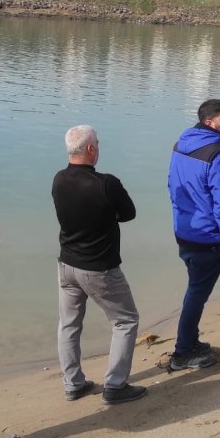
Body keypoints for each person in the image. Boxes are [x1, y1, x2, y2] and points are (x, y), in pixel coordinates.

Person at [52, 125, 146, 404]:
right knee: (126, 320)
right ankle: (115, 385)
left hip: (67, 264)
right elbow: (128, 213)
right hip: (98, 266)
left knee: (68, 324)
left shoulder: (58, 179)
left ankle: (73, 383)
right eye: (98, 144)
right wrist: (107, 214)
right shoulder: (106, 183)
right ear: (91, 149)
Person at [167, 98, 220, 370]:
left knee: (194, 290)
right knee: (196, 294)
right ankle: (183, 352)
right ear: (209, 122)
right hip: (208, 237)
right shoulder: (218, 153)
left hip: (185, 231)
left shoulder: (180, 145)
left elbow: (172, 186)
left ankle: (190, 342)